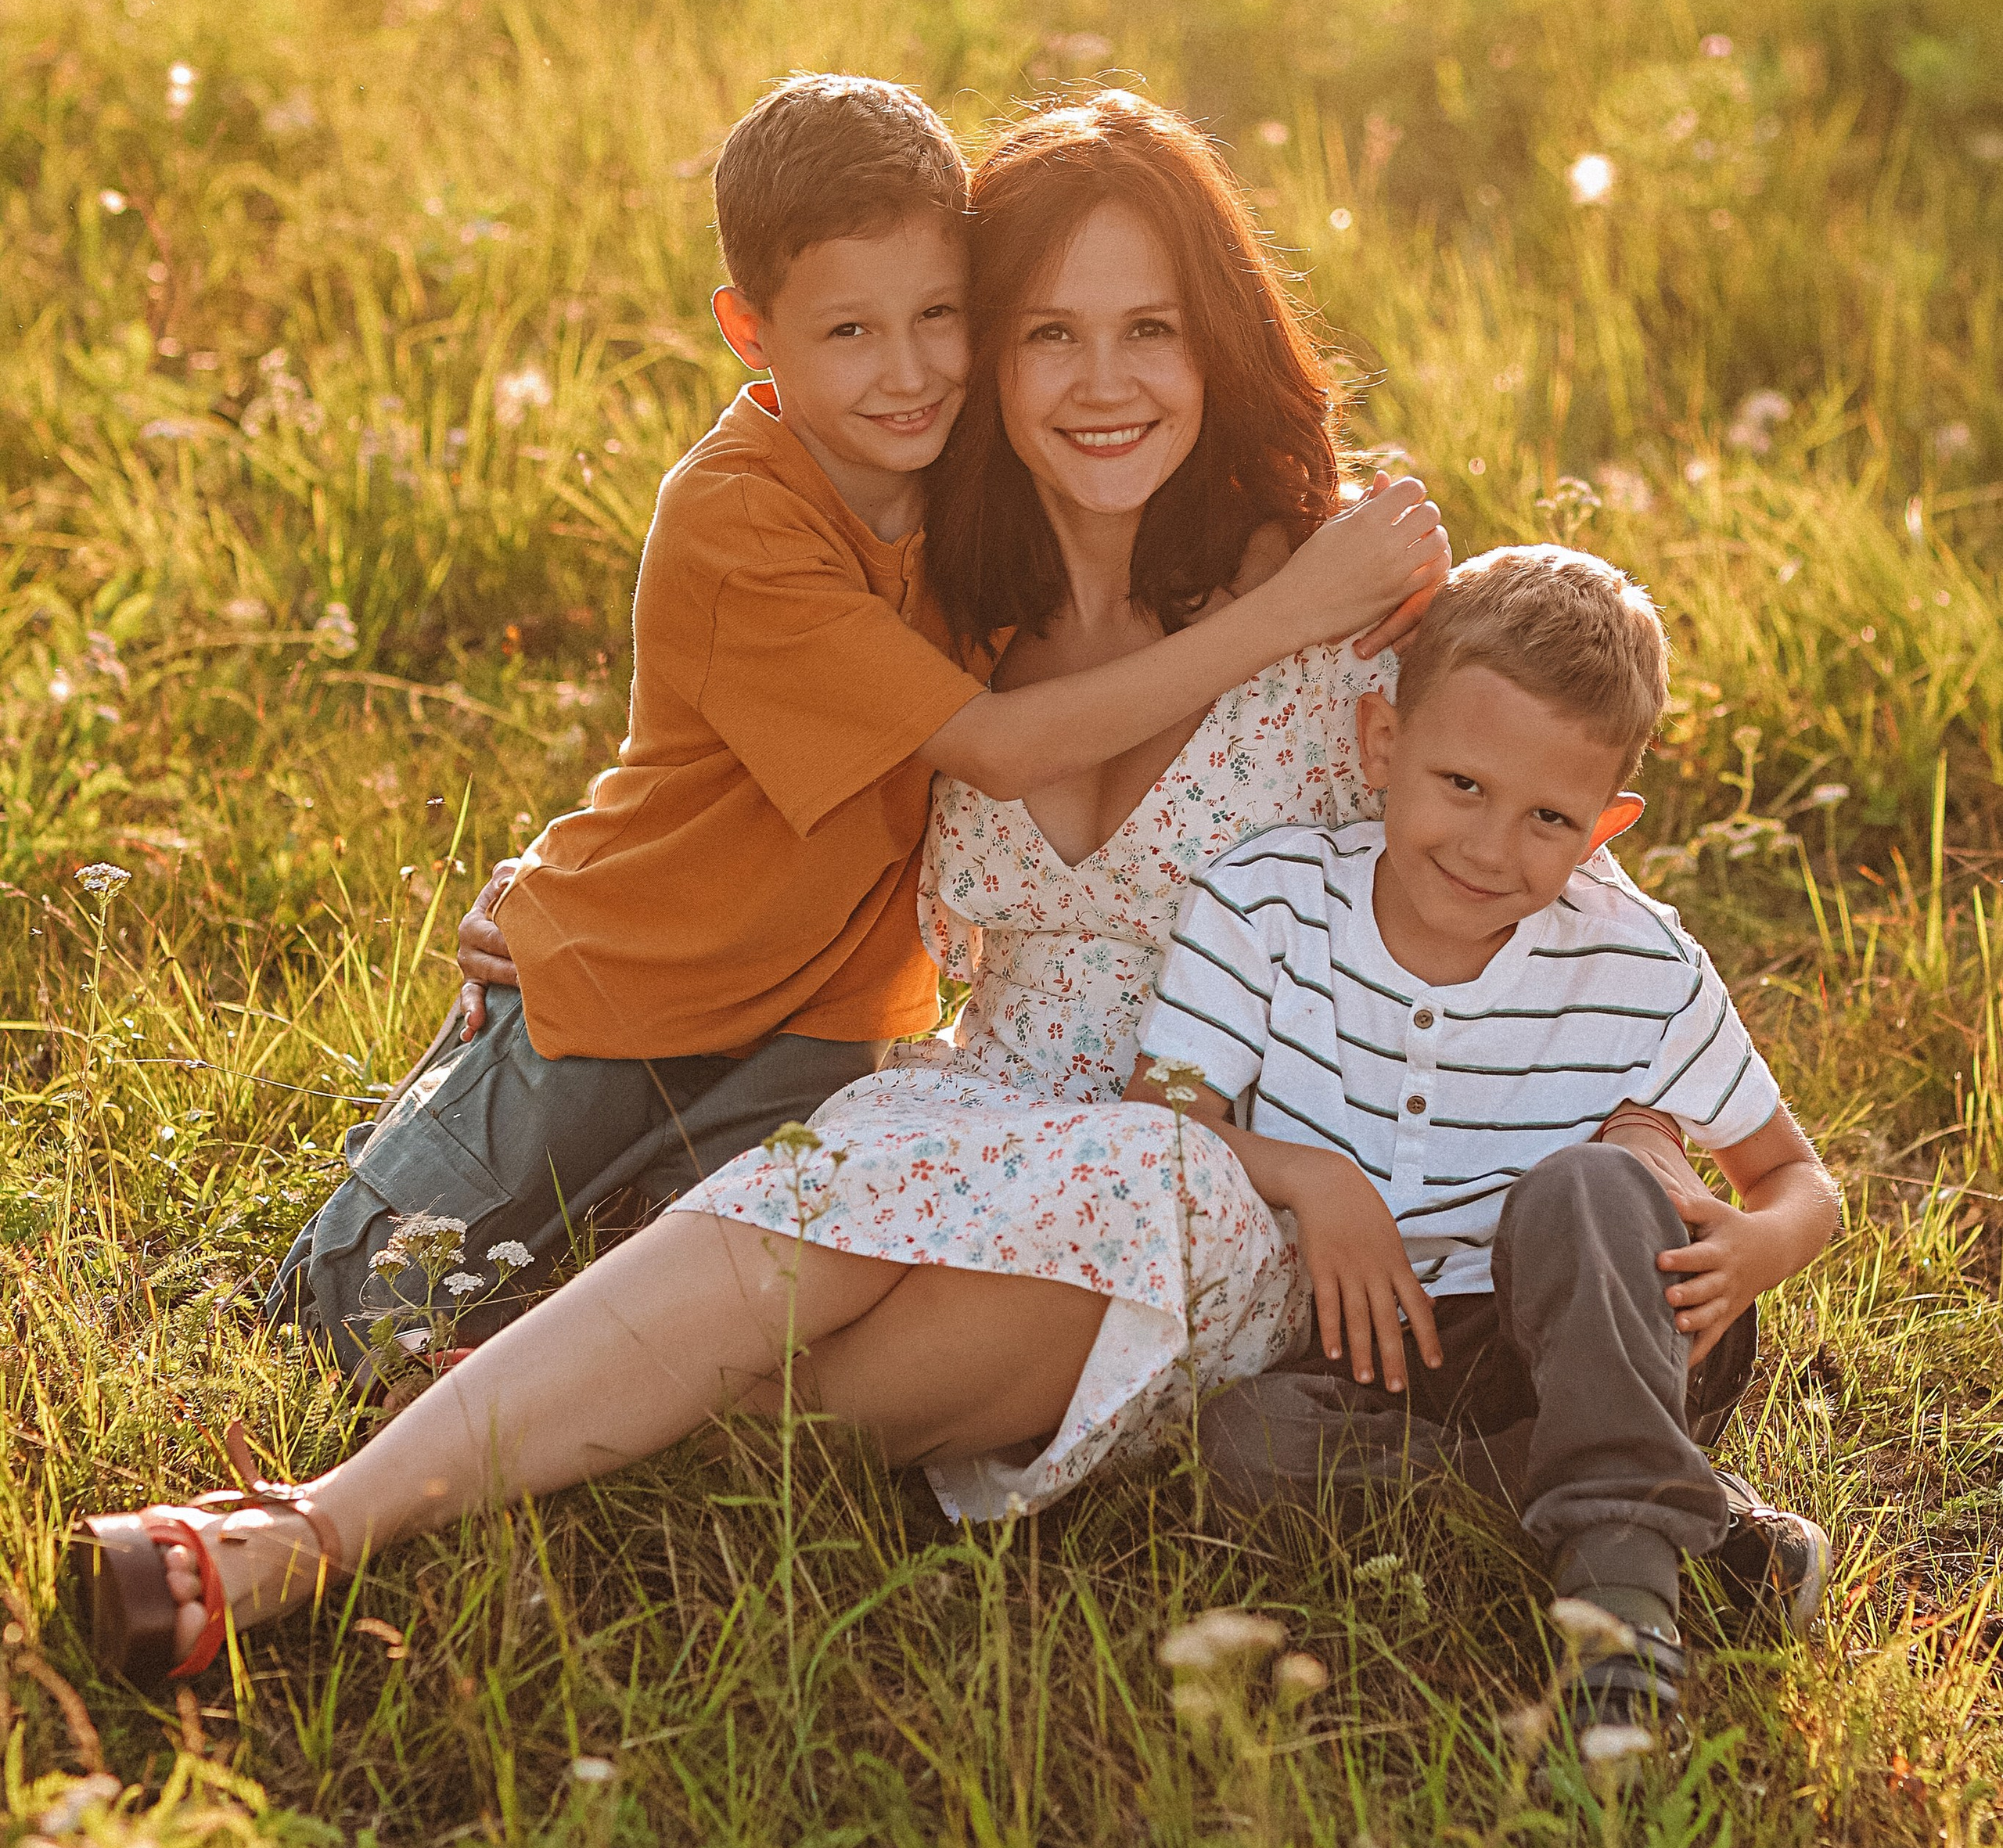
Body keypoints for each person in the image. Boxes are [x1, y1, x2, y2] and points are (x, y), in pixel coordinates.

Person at [76, 90, 1451, 1685]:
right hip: (966, 1106)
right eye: (1047, 335)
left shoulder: (1344, 586)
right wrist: (561, 877)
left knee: (1131, 1190)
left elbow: (1524, 857)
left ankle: (551, 1424)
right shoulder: (954, 577)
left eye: (1150, 328)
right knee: (824, 1176)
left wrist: (1635, 1147)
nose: (1101, 382)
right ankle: (302, 1531)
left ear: (1217, 341)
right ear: (995, 354)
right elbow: (744, 739)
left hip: (1220, 1168)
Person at [268, 73, 1443, 1382]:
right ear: (750, 329)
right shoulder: (744, 520)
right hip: (635, 983)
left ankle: (556, 1320)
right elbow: (996, 747)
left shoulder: (969, 481)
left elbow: (1152, 456)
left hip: (828, 1027)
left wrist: (1393, 559)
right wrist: (1293, 610)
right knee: (356, 1308)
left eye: (940, 316)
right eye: (850, 333)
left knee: (720, 1313)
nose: (910, 372)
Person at [1127, 542, 1843, 1736]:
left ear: (1604, 825)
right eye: (1462, 784)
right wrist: (1313, 1179)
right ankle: (1678, 1516)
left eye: (1549, 817)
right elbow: (1164, 1113)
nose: (1491, 847)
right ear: (1381, 744)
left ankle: (1623, 1615)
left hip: (1602, 1326)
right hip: (1366, 1351)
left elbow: (1798, 1177)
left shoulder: (1639, 961)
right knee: (1239, 1449)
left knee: (1589, 1186)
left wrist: (1760, 1245)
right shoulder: (1267, 902)